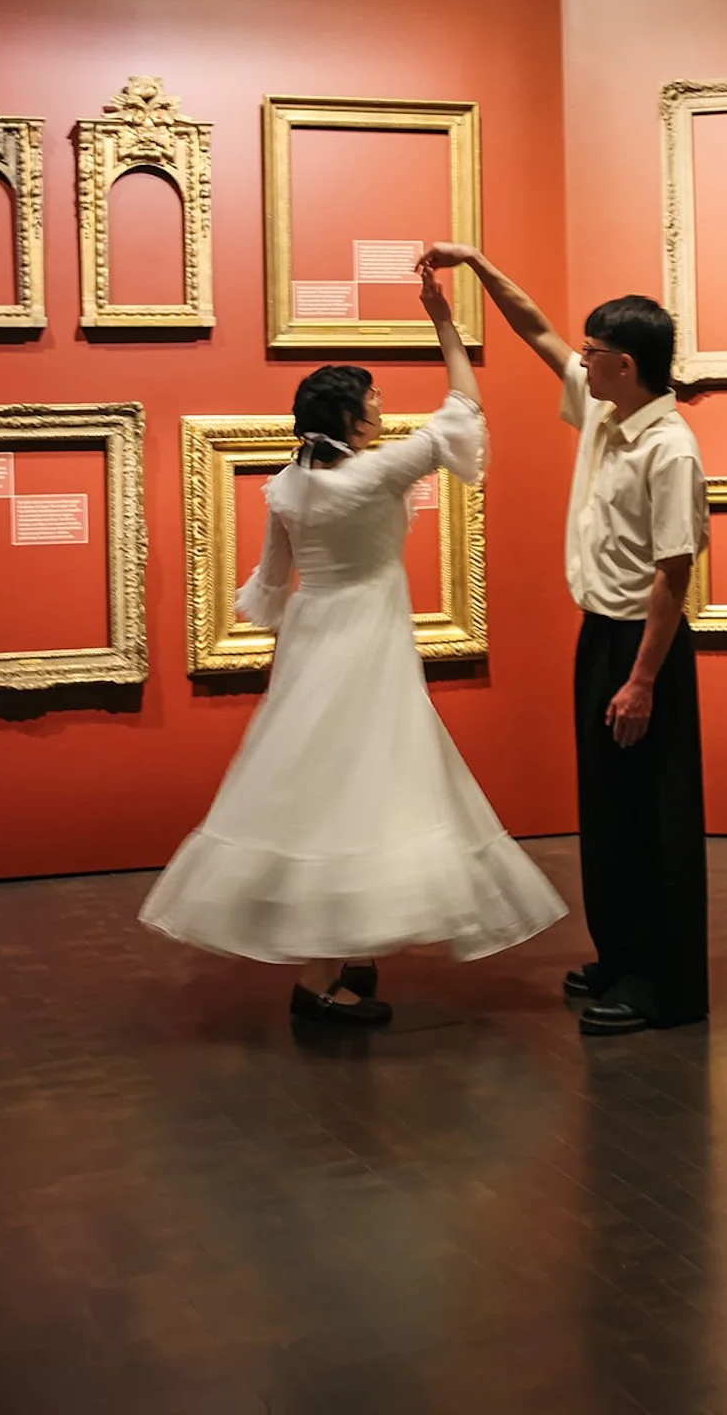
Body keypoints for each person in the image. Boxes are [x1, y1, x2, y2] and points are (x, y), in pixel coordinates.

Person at [140, 266, 566, 1026]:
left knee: (328, 786)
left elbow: (270, 587)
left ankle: (351, 949)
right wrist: (442, 324)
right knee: (360, 787)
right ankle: (319, 980)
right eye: (370, 399)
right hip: (367, 639)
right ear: (348, 416)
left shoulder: (287, 485)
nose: (380, 407)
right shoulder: (372, 476)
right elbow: (463, 409)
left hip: (316, 642)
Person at [418, 245, 708, 1037]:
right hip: (601, 638)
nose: (576, 360)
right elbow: (535, 327)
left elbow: (673, 576)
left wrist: (643, 680)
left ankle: (660, 985)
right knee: (608, 814)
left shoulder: (669, 447)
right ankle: (618, 958)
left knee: (650, 820)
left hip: (644, 650)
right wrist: (473, 266)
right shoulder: (604, 409)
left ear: (625, 363)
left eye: (591, 353)